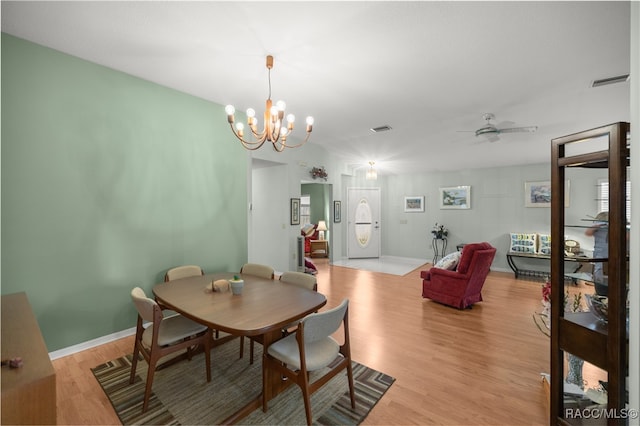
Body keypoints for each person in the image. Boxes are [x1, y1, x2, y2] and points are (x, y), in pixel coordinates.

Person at [585, 211, 608, 283]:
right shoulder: (597, 227)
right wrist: (598, 225)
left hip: (613, 253)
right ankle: (599, 288)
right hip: (600, 253)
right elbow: (587, 233)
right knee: (599, 270)